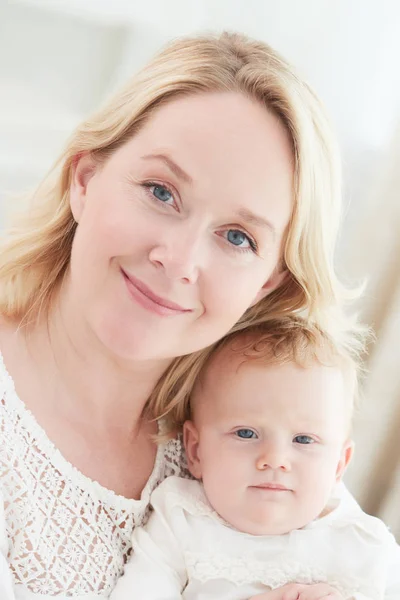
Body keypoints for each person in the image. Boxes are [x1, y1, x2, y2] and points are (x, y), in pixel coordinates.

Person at [0, 32, 364, 600]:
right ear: (85, 180)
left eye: (238, 236)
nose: (180, 261)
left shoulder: (252, 440)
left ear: (269, 281)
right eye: (160, 191)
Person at [110, 320, 400, 600]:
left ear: (339, 464)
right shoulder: (182, 518)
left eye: (303, 440)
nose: (274, 459)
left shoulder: (366, 544)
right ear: (196, 450)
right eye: (246, 433)